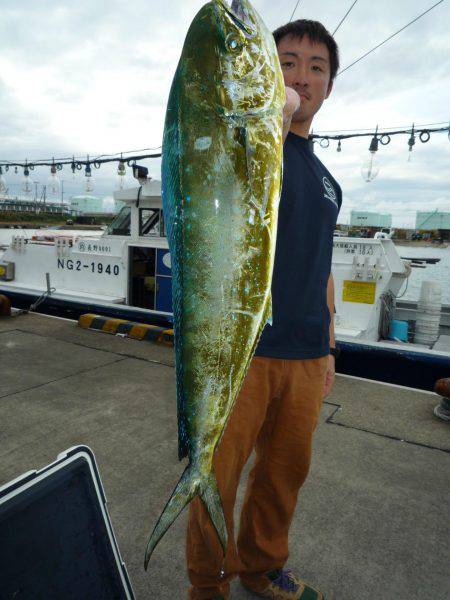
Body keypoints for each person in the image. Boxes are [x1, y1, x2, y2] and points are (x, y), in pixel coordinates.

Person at [187, 19, 342, 600]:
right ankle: (207, 585)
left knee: (283, 476)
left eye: (317, 66)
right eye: (286, 62)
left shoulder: (329, 183)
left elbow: (322, 266)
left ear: (329, 86)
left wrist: (329, 347)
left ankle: (260, 566)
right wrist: (266, 122)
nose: (302, 75)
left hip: (305, 355)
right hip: (242, 351)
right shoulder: (248, 147)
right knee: (215, 478)